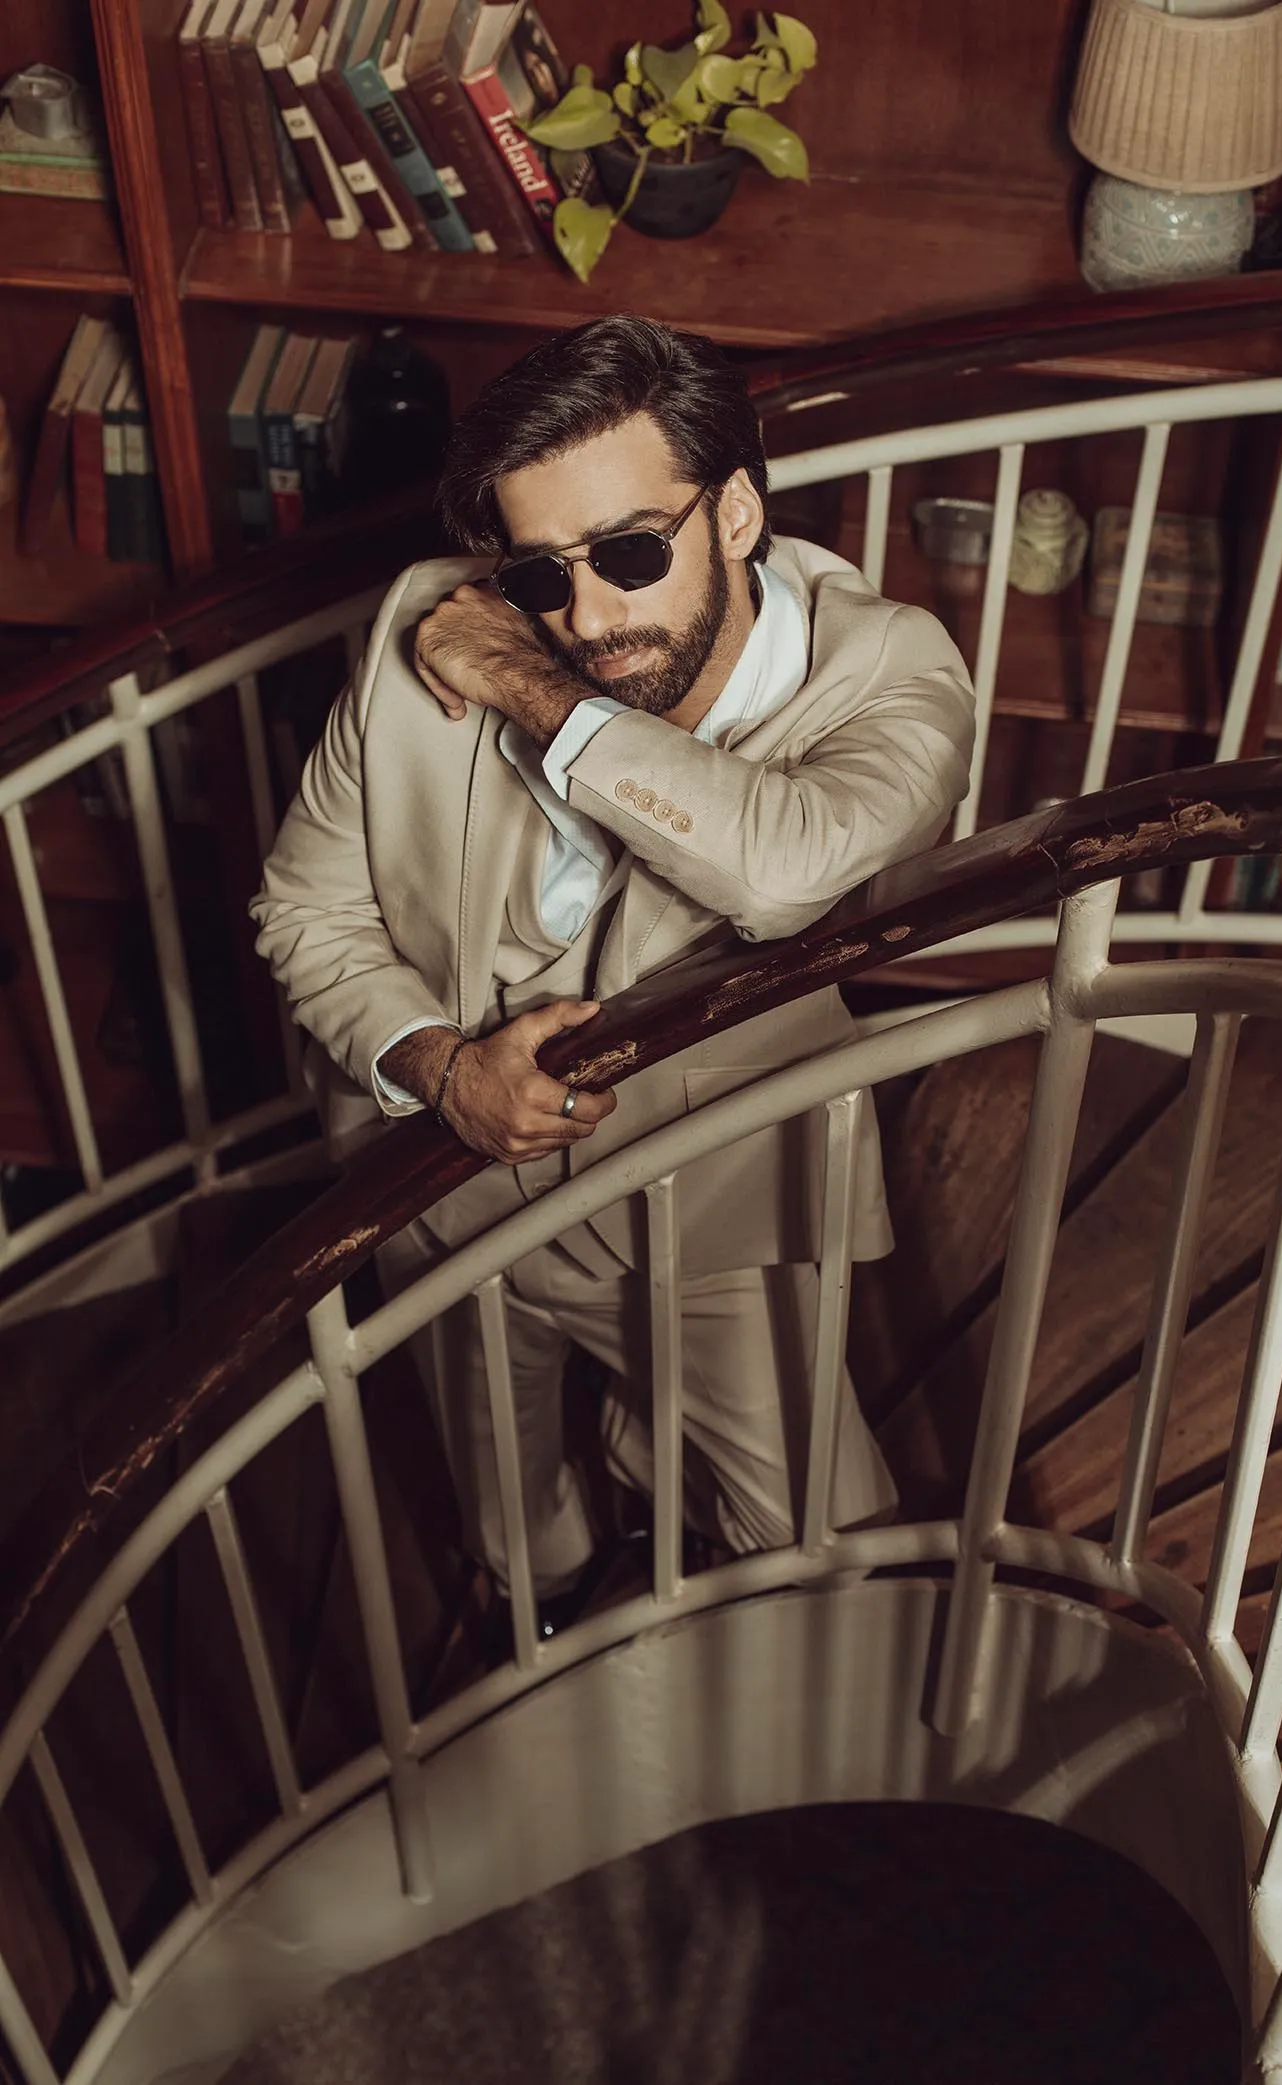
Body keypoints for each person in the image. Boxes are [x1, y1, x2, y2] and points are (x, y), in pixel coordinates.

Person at [251, 314, 974, 1611]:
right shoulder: (429, 621)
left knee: (819, 1543)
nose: (586, 615)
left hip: (711, 1201)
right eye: (540, 573)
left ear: (736, 512)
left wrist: (536, 692)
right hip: (441, 1179)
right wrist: (439, 1065)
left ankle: (672, 1494)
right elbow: (306, 907)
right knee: (508, 1508)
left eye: (631, 552)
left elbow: (783, 872)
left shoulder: (891, 674)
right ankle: (546, 1613)